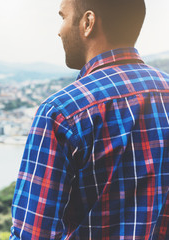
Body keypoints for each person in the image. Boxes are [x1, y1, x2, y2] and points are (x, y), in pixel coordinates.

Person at [10, 0, 169, 239]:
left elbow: (33, 234)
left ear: (88, 23)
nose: (59, 30)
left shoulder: (62, 111)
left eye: (62, 17)